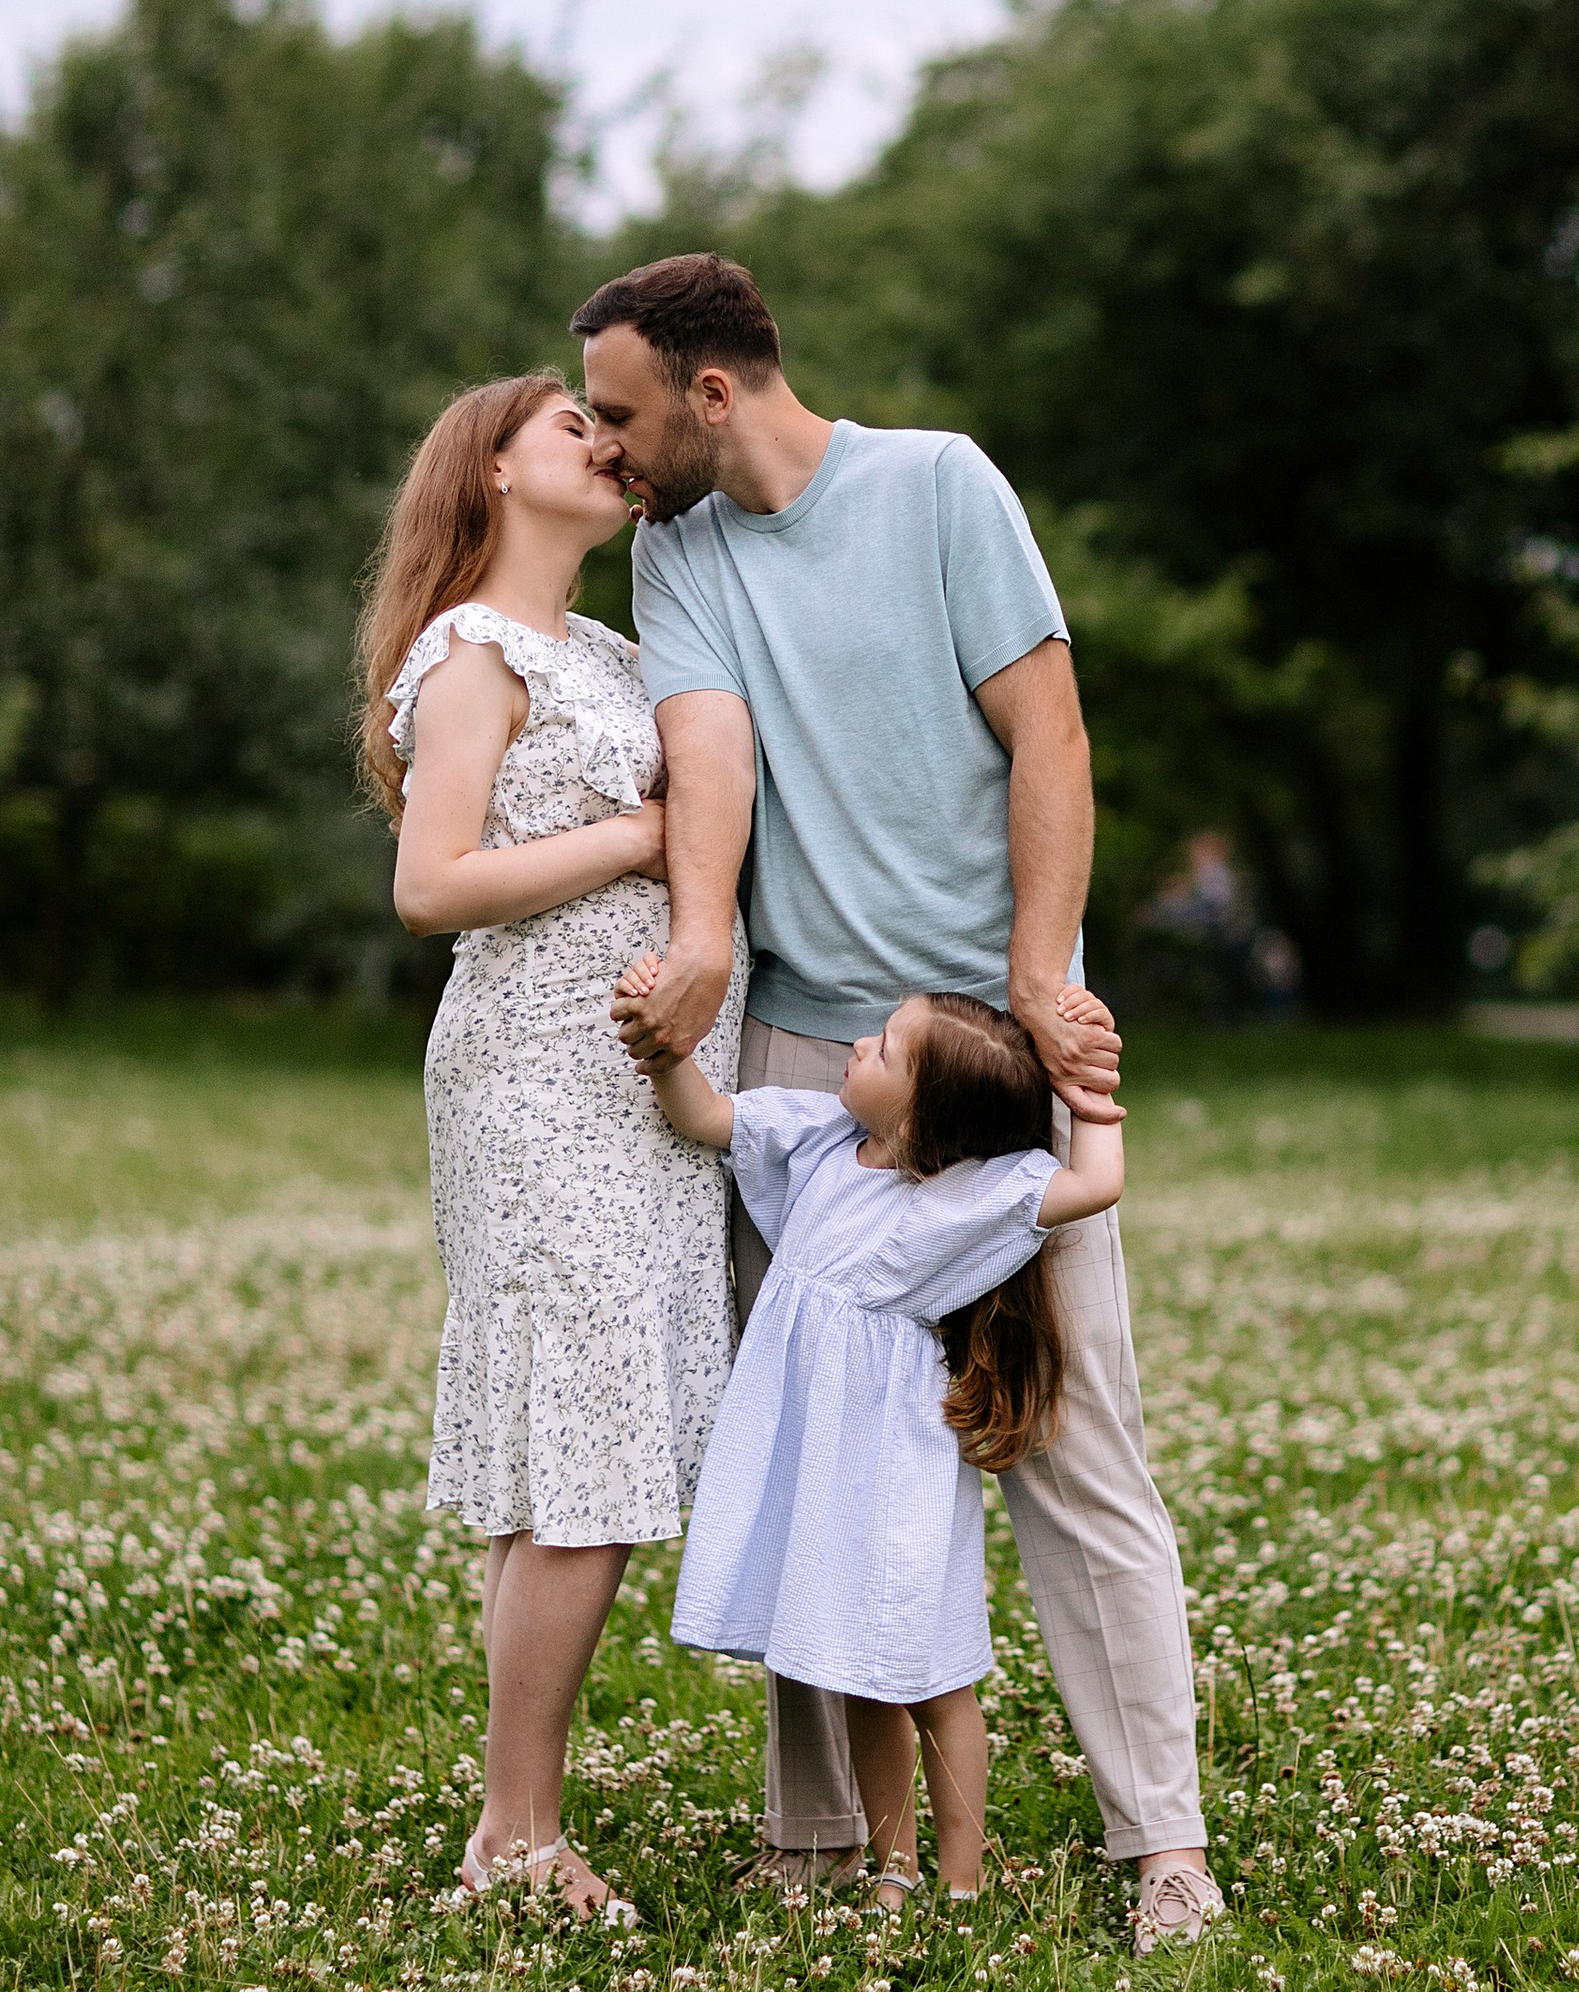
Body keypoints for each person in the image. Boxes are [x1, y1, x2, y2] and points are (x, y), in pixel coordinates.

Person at [576, 253, 1226, 1951]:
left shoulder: (941, 487)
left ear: (714, 393)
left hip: (991, 1052)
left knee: (1068, 1441)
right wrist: (707, 940)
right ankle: (825, 1843)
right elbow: (709, 753)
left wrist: (1036, 981)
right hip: (803, 1055)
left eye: (628, 414)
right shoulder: (679, 552)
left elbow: (1053, 739)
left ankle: (1163, 1844)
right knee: (813, 1436)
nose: (607, 444)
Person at [358, 371, 748, 1926]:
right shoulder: (472, 651)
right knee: (578, 1457)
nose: (604, 442)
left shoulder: (608, 647)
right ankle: (515, 1831)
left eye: (608, 425)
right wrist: (643, 841)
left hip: (633, 1084)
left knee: (571, 1455)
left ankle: (513, 1818)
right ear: (493, 473)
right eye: (568, 427)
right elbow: (430, 883)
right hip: (533, 1070)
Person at [619, 964, 1125, 1908]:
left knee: (935, 1678)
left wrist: (1087, 1083)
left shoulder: (968, 1197)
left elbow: (1098, 1182)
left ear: (927, 1111)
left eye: (886, 1047)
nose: (860, 1045)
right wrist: (664, 1051)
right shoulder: (820, 1140)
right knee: (858, 1675)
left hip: (896, 1475)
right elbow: (709, 1118)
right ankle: (892, 1870)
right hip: (818, 1471)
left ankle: (962, 1880)